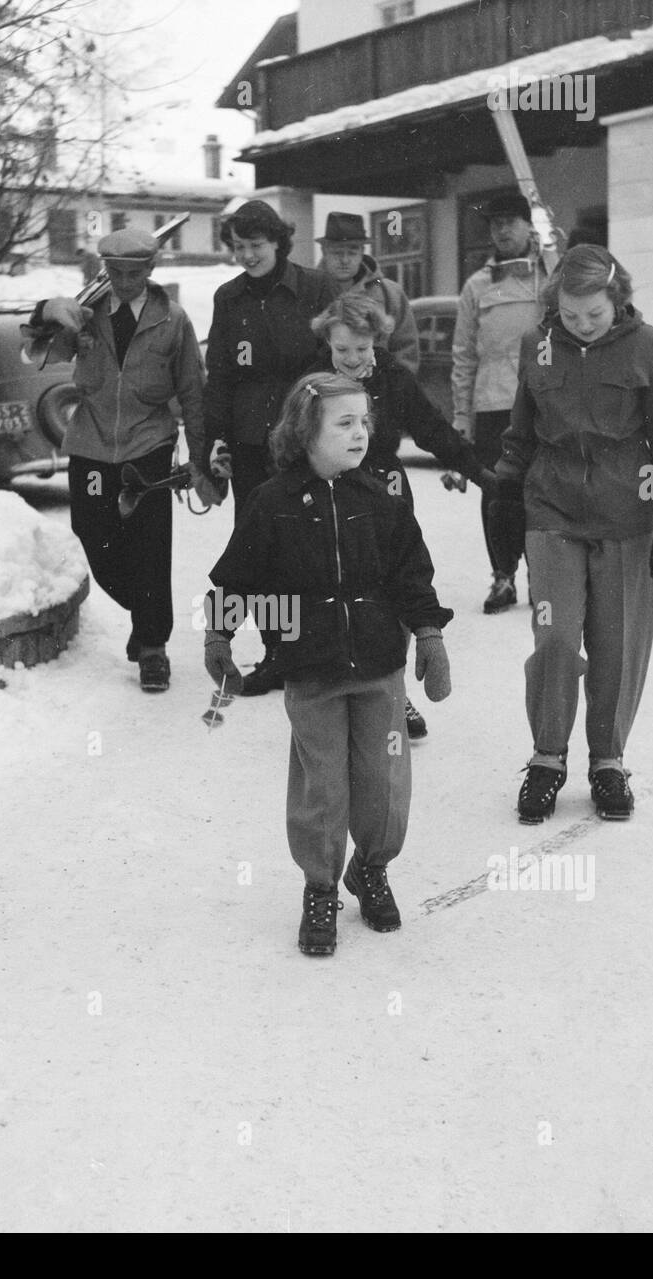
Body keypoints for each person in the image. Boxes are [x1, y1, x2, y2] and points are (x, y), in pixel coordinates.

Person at [204, 373, 454, 956]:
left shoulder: (381, 499)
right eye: (344, 423)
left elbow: (413, 574)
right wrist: (219, 633)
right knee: (323, 782)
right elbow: (238, 576)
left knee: (383, 778)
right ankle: (320, 885)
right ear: (305, 431)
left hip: (378, 668)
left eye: (364, 421)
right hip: (312, 669)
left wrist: (429, 635)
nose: (360, 433)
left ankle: (371, 868)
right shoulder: (273, 502)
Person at [491, 246, 653, 825]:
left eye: (593, 315)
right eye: (570, 315)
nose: (580, 326)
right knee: (555, 636)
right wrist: (506, 492)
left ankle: (607, 760)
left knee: (617, 643)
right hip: (551, 511)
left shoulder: (651, 346)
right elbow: (520, 429)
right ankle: (547, 758)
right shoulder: (539, 343)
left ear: (618, 300)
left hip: (627, 516)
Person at [29, 227, 216, 693]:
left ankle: (153, 648)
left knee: (150, 547)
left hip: (148, 448)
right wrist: (48, 310)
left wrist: (199, 458)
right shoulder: (85, 315)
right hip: (91, 447)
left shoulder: (173, 321)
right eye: (115, 271)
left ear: (151, 270)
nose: (124, 280)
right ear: (103, 269)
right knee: (94, 536)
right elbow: (33, 350)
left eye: (134, 272)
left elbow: (193, 392)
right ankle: (147, 613)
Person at [309, 292, 487, 740]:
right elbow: (290, 439)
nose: (352, 359)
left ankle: (392, 692)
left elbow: (430, 428)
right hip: (329, 490)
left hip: (385, 492)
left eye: (362, 349)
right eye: (342, 349)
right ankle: (337, 690)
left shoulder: (392, 376)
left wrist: (478, 471)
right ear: (327, 342)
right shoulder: (312, 382)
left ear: (377, 340)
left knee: (394, 590)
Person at [202, 199, 337, 696]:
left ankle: (317, 648)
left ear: (279, 241)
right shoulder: (228, 298)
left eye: (255, 246)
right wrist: (210, 449)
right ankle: (278, 652)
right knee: (259, 547)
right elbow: (219, 377)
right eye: (237, 248)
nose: (247, 256)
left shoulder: (315, 287)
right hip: (250, 443)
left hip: (304, 437)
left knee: (312, 543)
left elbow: (334, 358)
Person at [451, 191, 559, 614]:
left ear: (527, 224)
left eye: (509, 221)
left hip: (542, 401)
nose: (501, 230)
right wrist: (462, 416)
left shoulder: (550, 275)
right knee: (497, 494)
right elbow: (463, 355)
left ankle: (543, 576)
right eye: (494, 224)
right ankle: (502, 577)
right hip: (494, 404)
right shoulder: (477, 286)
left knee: (542, 491)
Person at [315, 211, 419, 374]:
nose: (345, 260)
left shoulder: (390, 293)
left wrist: (392, 389)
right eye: (337, 252)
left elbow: (406, 352)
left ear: (362, 251)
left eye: (352, 252)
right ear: (324, 251)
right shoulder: (308, 291)